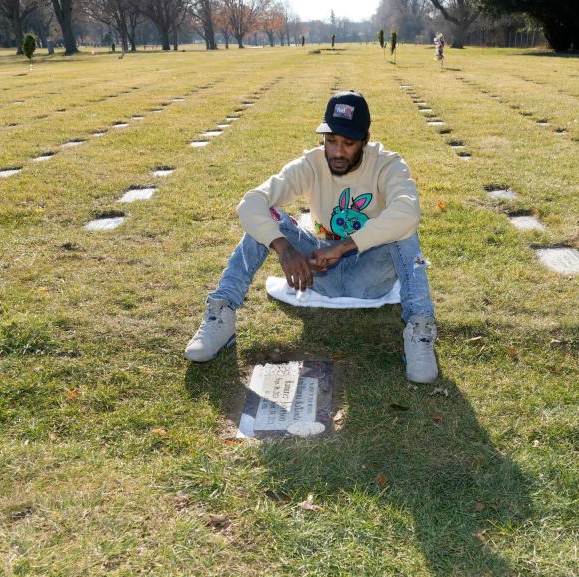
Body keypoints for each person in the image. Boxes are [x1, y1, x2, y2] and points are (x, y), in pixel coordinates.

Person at [185, 91, 439, 383]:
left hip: (370, 273)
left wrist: (344, 247)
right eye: (331, 141)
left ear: (365, 139)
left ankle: (419, 329)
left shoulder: (388, 165)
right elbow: (251, 202)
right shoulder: (311, 163)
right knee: (265, 216)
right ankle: (221, 313)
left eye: (348, 143)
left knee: (403, 227)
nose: (337, 152)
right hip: (318, 269)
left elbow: (408, 212)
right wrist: (284, 249)